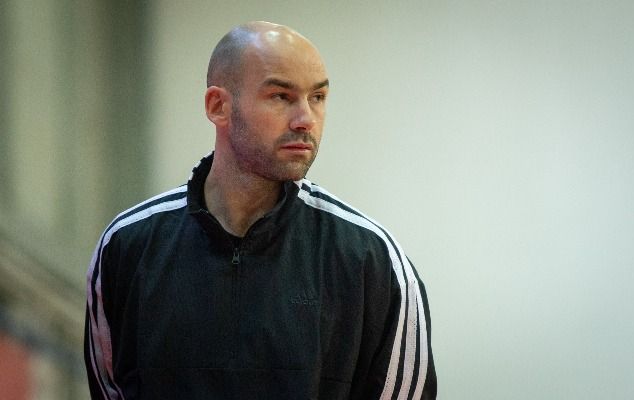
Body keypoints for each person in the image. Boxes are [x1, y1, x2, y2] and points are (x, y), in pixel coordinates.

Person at [85, 21, 437, 399]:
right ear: (218, 106)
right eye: (281, 96)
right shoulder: (126, 246)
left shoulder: (374, 261)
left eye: (318, 97)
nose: (306, 120)